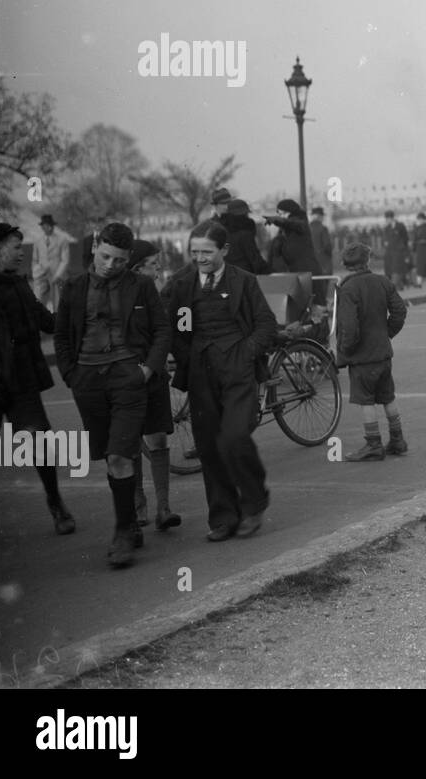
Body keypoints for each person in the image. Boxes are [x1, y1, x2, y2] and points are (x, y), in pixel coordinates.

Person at [55, 222, 170, 567]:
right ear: (94, 247)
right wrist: (72, 375)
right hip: (88, 381)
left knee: (121, 454)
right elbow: (61, 337)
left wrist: (146, 370)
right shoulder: (73, 288)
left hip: (128, 378)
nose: (110, 265)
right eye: (105, 257)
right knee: (111, 454)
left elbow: (163, 330)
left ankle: (123, 532)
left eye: (119, 261)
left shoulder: (142, 285)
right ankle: (130, 520)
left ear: (128, 259)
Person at [163, 222, 278, 541]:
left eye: (206, 252)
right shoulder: (183, 284)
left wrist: (245, 353)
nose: (199, 258)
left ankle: (254, 502)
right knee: (210, 447)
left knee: (235, 436)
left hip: (238, 370)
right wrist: (187, 355)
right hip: (201, 371)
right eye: (194, 251)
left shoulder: (244, 281)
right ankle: (224, 516)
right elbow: (175, 326)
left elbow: (265, 324)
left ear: (224, 250)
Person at [0, 224, 76, 546]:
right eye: (15, 247)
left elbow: (42, 317)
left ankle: (56, 503)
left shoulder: (18, 283)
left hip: (21, 381)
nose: (22, 252)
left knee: (39, 443)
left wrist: (71, 321)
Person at [126, 240, 181, 531]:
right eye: (153, 263)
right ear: (137, 267)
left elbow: (164, 332)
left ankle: (163, 507)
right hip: (126, 378)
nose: (158, 267)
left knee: (158, 438)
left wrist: (154, 365)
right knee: (130, 441)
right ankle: (138, 506)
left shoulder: (155, 294)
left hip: (154, 376)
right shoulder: (119, 294)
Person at [336, 242, 409, 460]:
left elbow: (349, 327)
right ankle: (397, 439)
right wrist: (387, 333)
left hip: (362, 357)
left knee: (365, 400)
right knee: (388, 396)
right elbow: (399, 311)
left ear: (345, 265)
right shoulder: (383, 282)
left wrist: (345, 350)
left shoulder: (348, 289)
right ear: (368, 261)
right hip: (383, 352)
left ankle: (373, 444)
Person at [265, 200, 320, 274]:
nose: (281, 216)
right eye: (279, 214)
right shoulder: (284, 230)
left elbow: (293, 223)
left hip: (305, 272)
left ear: (291, 212)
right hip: (295, 272)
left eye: (282, 213)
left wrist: (278, 220)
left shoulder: (300, 224)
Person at [31, 214, 70, 314]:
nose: (48, 228)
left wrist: (58, 275)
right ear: (42, 227)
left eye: (50, 225)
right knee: (38, 300)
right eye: (45, 225)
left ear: (53, 226)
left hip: (56, 276)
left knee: (57, 302)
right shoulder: (38, 241)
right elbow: (35, 259)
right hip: (41, 276)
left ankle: (57, 323)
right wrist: (36, 272)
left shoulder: (62, 240)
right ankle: (40, 322)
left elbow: (65, 260)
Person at [223, 200, 268, 275]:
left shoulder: (220, 232)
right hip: (244, 276)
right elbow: (254, 259)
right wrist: (268, 271)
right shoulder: (245, 234)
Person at [381, 210, 411, 289]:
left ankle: (395, 285)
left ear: (391, 218)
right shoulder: (386, 228)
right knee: (390, 269)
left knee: (397, 269)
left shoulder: (400, 226)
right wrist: (385, 242)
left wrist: (406, 252)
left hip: (398, 251)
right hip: (389, 252)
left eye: (387, 219)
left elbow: (405, 239)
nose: (386, 220)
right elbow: (384, 239)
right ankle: (399, 285)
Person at [309, 207, 335, 277]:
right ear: (319, 216)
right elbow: (327, 246)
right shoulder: (323, 229)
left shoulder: (306, 228)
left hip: (309, 265)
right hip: (323, 264)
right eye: (322, 216)